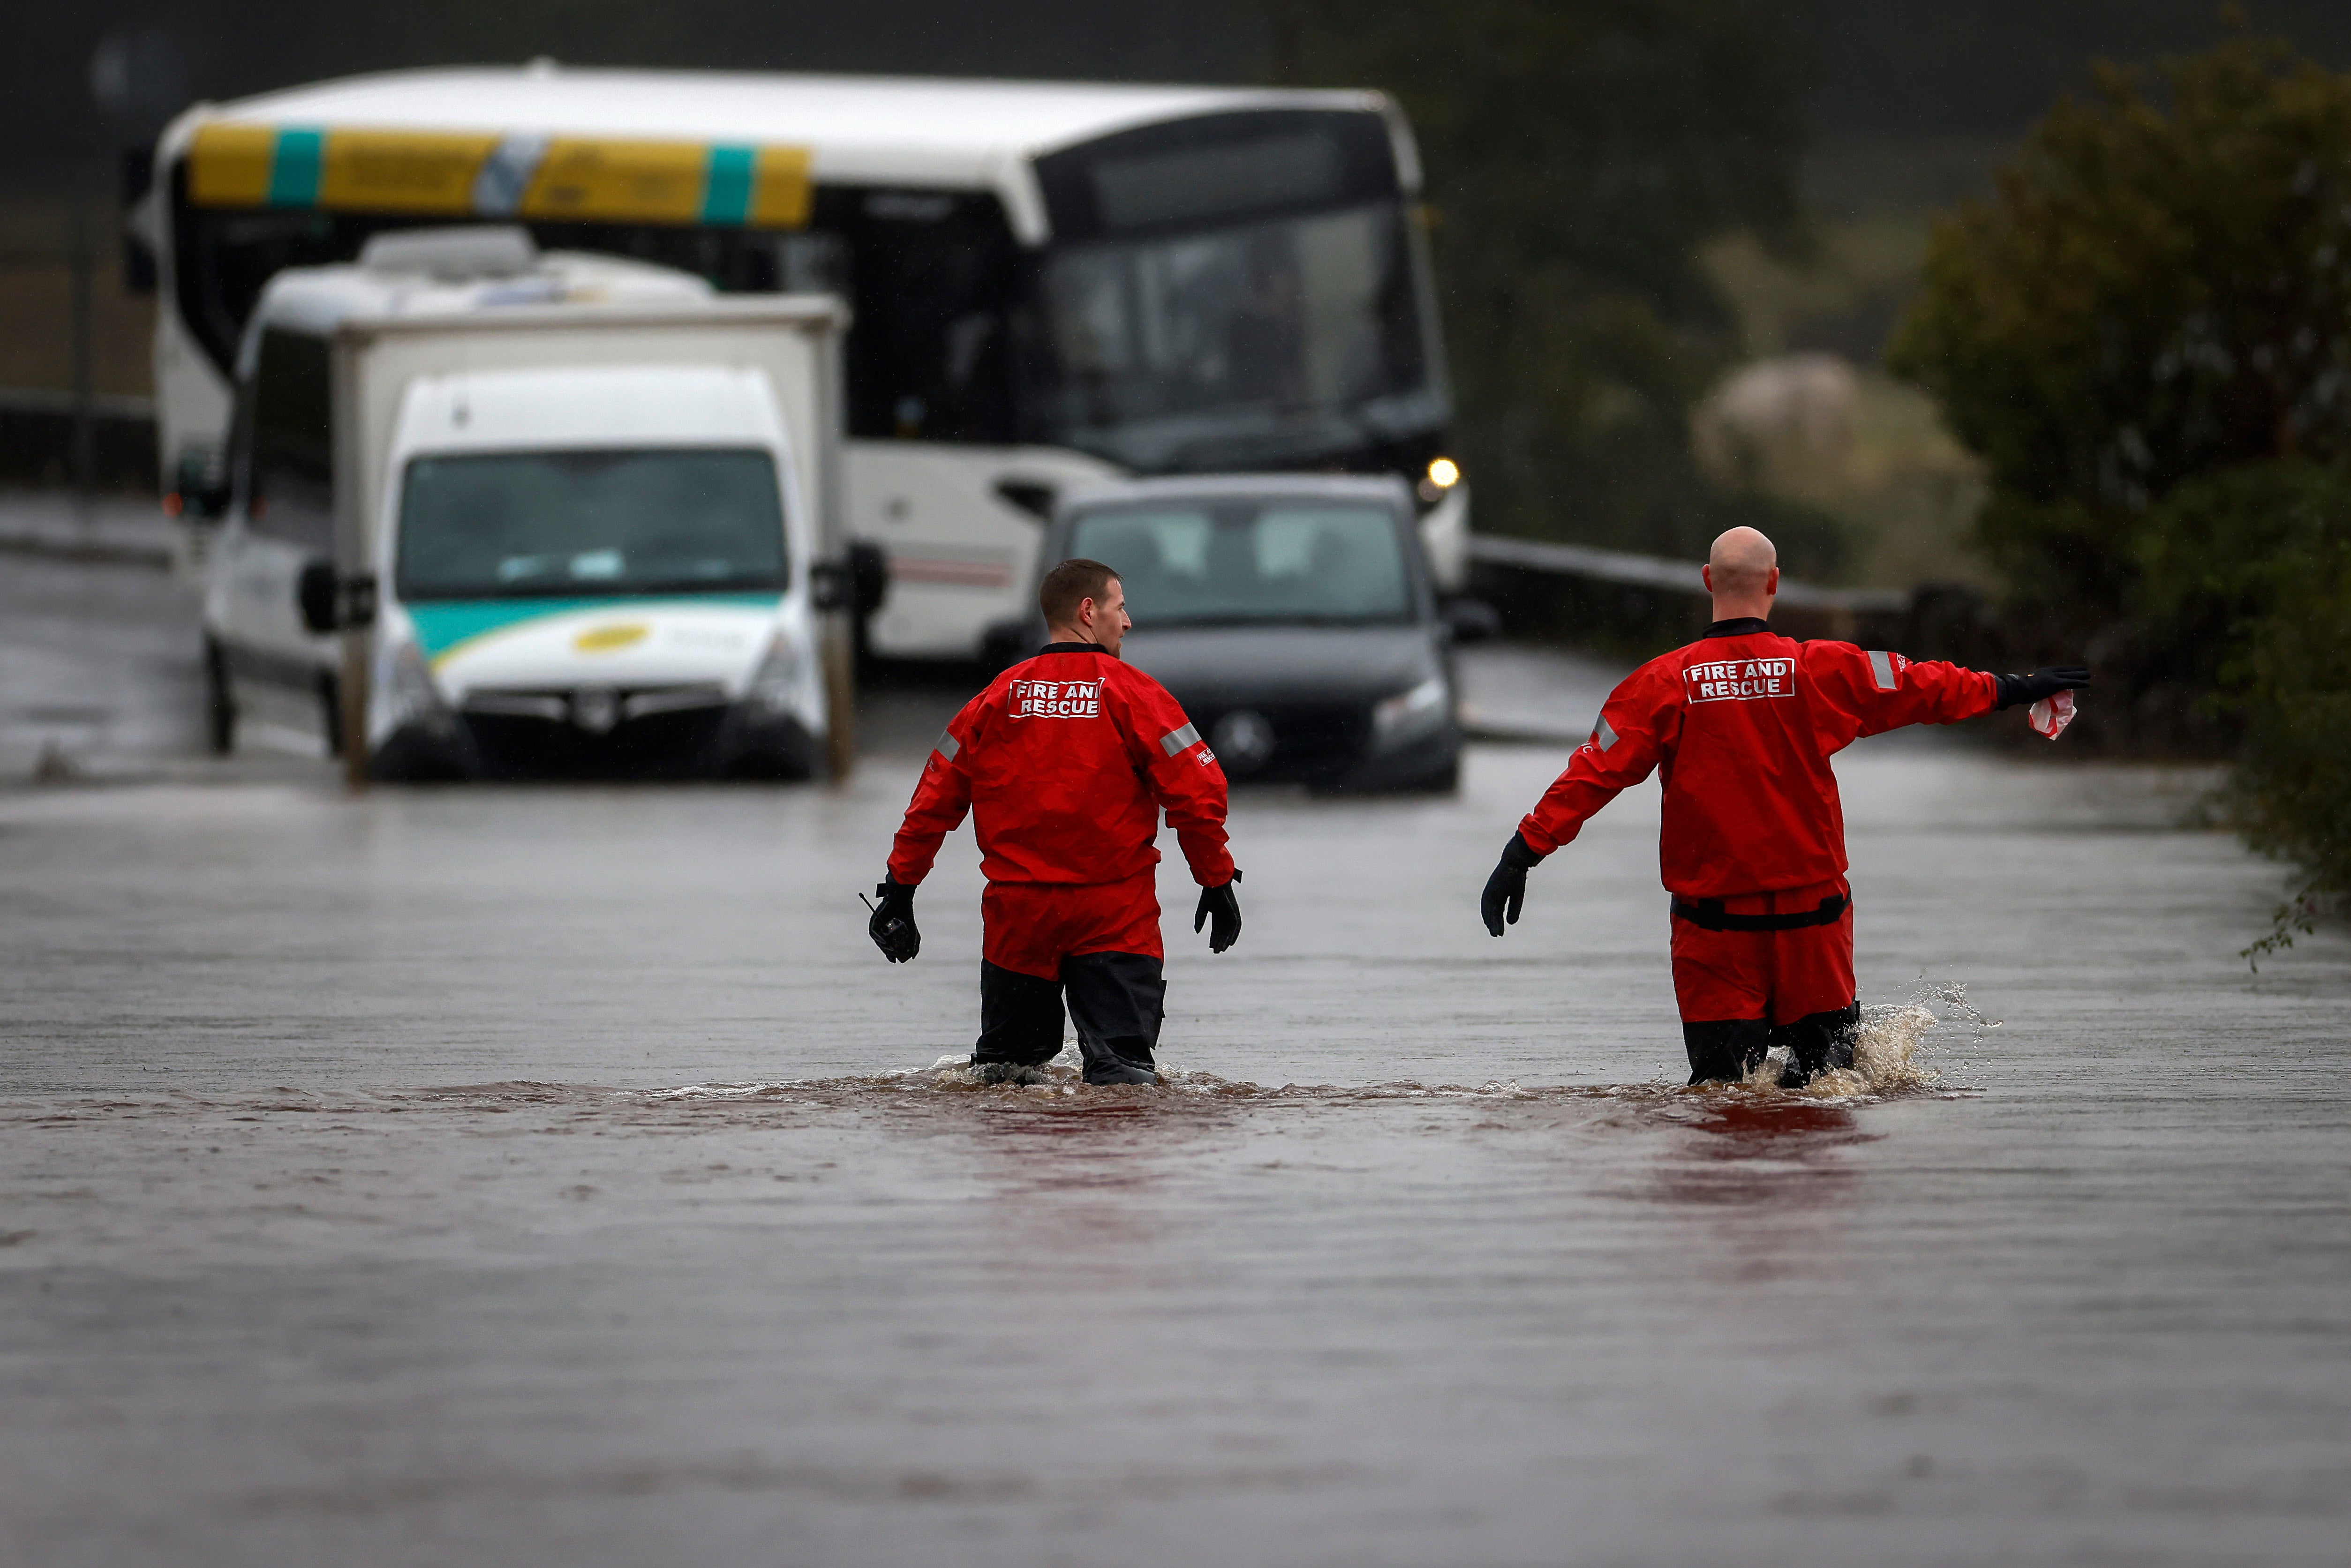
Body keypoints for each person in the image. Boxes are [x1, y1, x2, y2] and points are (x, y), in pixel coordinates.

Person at [1478, 526, 2089, 1088]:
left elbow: (1592, 771)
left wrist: (1523, 851)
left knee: (1723, 1105)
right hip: (1814, 927)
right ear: (1773, 584)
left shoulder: (1660, 685)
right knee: (1831, 1098)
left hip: (1714, 933)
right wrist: (2010, 688)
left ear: (1705, 581)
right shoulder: (1821, 669)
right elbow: (1918, 683)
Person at [869, 558, 1243, 1086]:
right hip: (1115, 915)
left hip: (1018, 919)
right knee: (1122, 1076)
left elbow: (932, 801)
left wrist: (900, 889)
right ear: (1089, 612)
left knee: (1005, 1077)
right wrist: (1216, 877)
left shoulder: (995, 698)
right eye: (1120, 607)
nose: (1128, 621)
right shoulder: (1135, 695)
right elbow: (1198, 794)